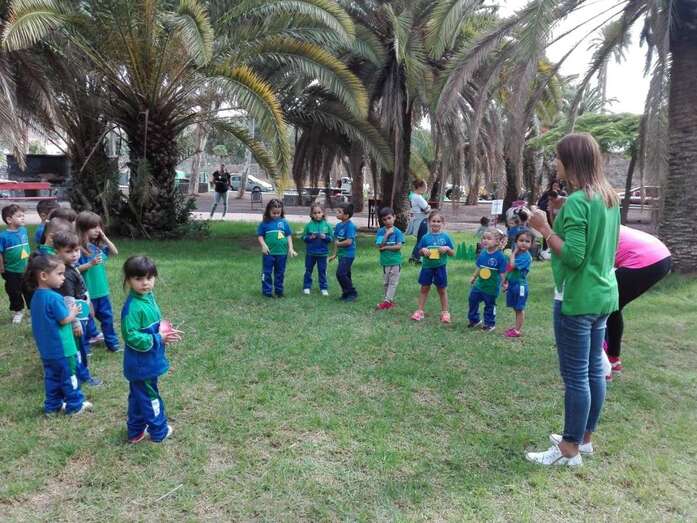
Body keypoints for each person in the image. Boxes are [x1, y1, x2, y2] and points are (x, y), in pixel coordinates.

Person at [526, 132, 620, 467]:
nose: (556, 163)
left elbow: (574, 256)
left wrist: (543, 228)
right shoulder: (608, 197)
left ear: (571, 161)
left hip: (577, 298)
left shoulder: (580, 201)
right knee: (594, 367)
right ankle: (584, 439)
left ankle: (569, 448)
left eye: (558, 157)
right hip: (603, 294)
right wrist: (560, 216)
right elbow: (595, 242)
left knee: (577, 375)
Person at [121, 256, 180, 443]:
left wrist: (164, 331)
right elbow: (131, 336)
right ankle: (159, 431)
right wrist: (157, 338)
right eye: (138, 279)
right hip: (142, 365)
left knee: (138, 397)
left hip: (148, 361)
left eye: (149, 277)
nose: (145, 283)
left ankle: (135, 431)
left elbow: (152, 324)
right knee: (150, 397)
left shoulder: (148, 297)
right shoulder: (133, 307)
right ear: (128, 280)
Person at [26, 254, 92, 415]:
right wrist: (73, 312)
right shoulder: (54, 297)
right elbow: (64, 320)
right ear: (43, 276)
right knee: (70, 376)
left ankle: (52, 405)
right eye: (60, 274)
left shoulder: (36, 296)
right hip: (63, 349)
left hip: (47, 351)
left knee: (52, 378)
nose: (63, 277)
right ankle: (75, 405)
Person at [606, 226, 671, 376]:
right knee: (613, 306)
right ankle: (612, 360)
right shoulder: (608, 219)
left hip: (645, 259)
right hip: (662, 255)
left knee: (603, 305)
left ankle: (603, 364)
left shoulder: (590, 225)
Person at [54, 231, 102, 387]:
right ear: (57, 252)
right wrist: (75, 323)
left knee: (81, 346)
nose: (74, 254)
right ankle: (82, 376)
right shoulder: (66, 274)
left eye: (76, 250)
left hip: (82, 313)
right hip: (76, 319)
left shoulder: (71, 267)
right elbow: (68, 300)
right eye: (68, 251)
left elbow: (81, 290)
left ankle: (81, 373)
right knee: (78, 349)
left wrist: (89, 306)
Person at [76, 211, 121, 352]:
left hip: (102, 291)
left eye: (99, 227)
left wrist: (104, 237)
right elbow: (74, 270)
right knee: (86, 321)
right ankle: (85, 348)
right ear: (83, 228)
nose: (97, 230)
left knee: (108, 318)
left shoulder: (96, 247)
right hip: (87, 294)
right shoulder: (77, 250)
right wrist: (90, 264)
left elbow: (115, 252)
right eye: (93, 227)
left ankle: (113, 344)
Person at [410, 211, 455, 323]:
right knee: (424, 288)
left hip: (440, 267)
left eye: (438, 221)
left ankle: (445, 312)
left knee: (442, 289)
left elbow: (452, 253)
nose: (436, 223)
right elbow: (419, 252)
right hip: (427, 267)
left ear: (442, 223)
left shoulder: (446, 237)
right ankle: (420, 311)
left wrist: (447, 249)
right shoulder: (425, 238)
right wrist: (423, 250)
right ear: (429, 222)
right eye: (433, 221)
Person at [467, 228, 508, 332]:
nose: (485, 240)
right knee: (472, 299)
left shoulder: (500, 257)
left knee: (489, 305)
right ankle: (474, 320)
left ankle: (489, 324)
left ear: (497, 241)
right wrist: (474, 277)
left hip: (491, 288)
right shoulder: (483, 253)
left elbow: (502, 272)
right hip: (479, 285)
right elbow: (479, 267)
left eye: (489, 238)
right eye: (484, 238)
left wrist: (504, 284)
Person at [257, 199, 297, 297]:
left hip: (282, 253)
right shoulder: (265, 223)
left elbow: (288, 235)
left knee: (280, 273)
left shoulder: (284, 223)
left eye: (278, 213)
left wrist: (291, 248)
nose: (276, 215)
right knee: (267, 272)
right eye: (273, 213)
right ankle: (267, 292)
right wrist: (263, 245)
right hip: (268, 253)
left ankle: (279, 291)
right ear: (268, 211)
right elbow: (260, 236)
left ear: (281, 212)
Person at [0, 204, 31, 324]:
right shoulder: (3, 236)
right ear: (9, 219)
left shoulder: (24, 230)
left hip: (26, 269)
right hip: (11, 271)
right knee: (14, 291)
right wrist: (1, 267)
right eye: (19, 216)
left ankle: (32, 311)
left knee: (29, 290)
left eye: (23, 215)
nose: (23, 218)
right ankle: (18, 311)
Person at [503, 230, 534, 338]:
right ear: (516, 242)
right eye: (521, 240)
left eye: (527, 241)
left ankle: (517, 330)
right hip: (513, 284)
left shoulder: (526, 257)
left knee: (519, 308)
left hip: (520, 286)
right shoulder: (517, 254)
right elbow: (509, 268)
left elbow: (512, 265)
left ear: (531, 244)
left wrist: (513, 253)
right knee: (515, 308)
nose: (524, 243)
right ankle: (516, 327)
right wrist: (505, 280)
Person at [375, 207, 405, 310]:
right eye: (384, 219)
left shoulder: (398, 232)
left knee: (393, 282)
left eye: (389, 218)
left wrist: (386, 247)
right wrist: (387, 234)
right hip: (385, 261)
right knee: (386, 283)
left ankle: (387, 302)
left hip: (396, 261)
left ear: (394, 217)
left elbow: (398, 247)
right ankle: (388, 301)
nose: (387, 221)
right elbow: (380, 245)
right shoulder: (380, 231)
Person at [329, 202, 358, 302]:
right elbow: (336, 241)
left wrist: (338, 244)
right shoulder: (338, 226)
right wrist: (334, 254)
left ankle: (352, 292)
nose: (337, 213)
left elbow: (349, 242)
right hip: (341, 255)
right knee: (346, 274)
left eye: (339, 212)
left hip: (348, 255)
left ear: (346, 215)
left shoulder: (350, 226)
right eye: (337, 211)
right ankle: (346, 294)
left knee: (340, 274)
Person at [302, 204, 333, 296]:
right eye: (315, 213)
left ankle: (323, 288)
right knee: (308, 270)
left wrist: (325, 237)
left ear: (323, 213)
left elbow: (331, 238)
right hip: (310, 253)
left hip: (323, 253)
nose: (317, 215)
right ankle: (307, 287)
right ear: (311, 214)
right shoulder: (309, 225)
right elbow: (303, 237)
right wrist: (310, 237)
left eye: (319, 212)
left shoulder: (327, 225)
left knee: (322, 271)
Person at [407, 180, 431, 263]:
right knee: (421, 240)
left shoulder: (413, 196)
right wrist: (429, 207)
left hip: (416, 219)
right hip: (422, 220)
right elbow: (427, 210)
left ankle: (413, 256)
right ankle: (417, 258)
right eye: (425, 187)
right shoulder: (418, 197)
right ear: (420, 187)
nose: (426, 189)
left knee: (419, 239)